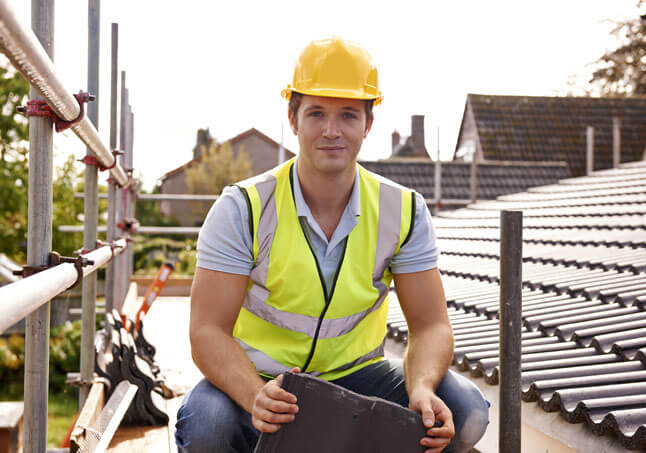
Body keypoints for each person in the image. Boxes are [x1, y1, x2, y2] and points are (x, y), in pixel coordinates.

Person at [175, 37, 489, 453]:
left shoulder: (404, 210)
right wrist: (254, 394)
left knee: (465, 411)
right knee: (208, 428)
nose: (331, 130)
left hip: (358, 376)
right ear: (293, 118)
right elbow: (206, 330)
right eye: (316, 113)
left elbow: (430, 325)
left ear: (367, 124)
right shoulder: (244, 208)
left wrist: (423, 387)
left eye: (347, 115)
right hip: (263, 377)